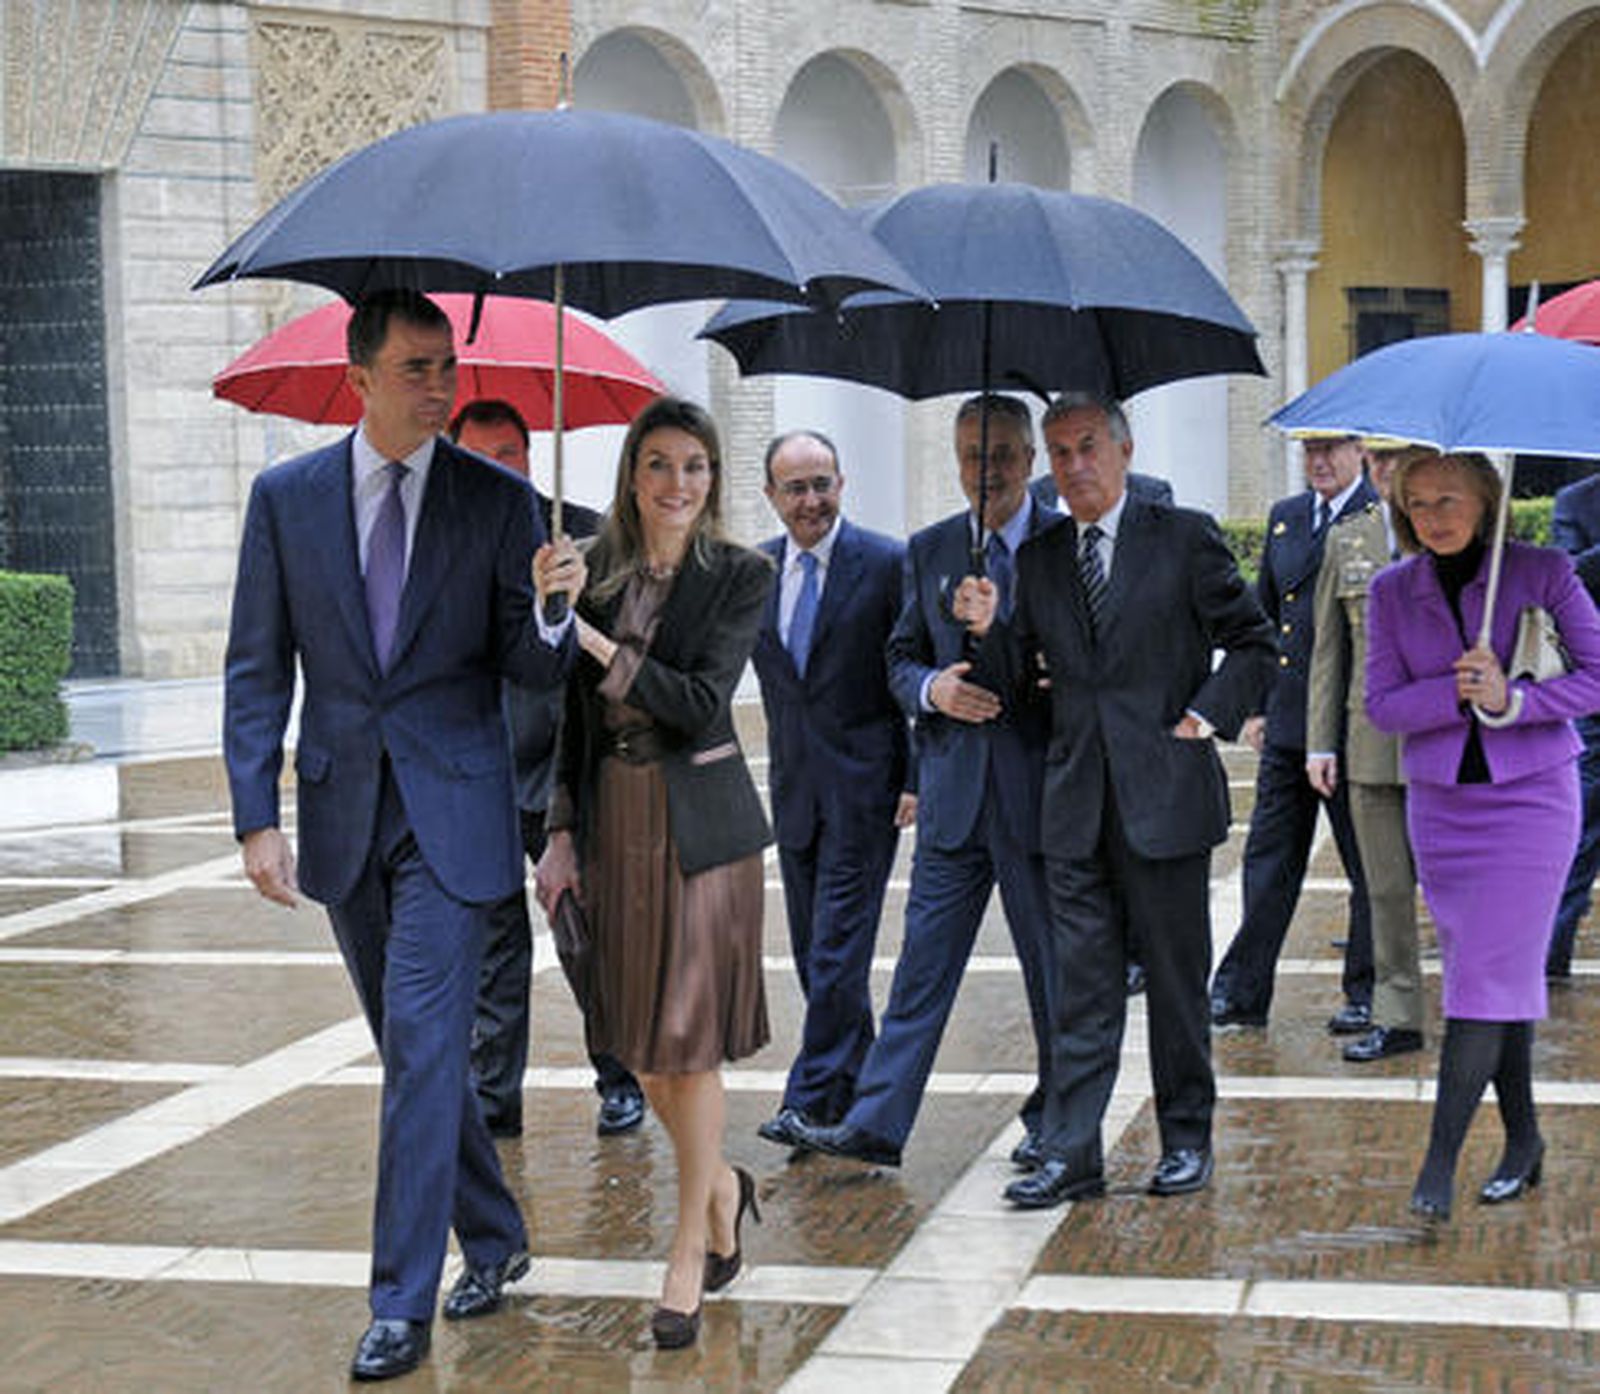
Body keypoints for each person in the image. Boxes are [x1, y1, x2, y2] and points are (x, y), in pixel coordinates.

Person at [223, 290, 582, 1381]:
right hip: (342, 813)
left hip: (455, 819)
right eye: (419, 367)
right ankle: (498, 1230)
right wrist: (255, 816)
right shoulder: (284, 500)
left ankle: (398, 1298)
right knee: (410, 1051)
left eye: (449, 366)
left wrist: (554, 607)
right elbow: (255, 668)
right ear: (360, 376)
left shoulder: (498, 500)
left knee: (426, 1049)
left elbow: (533, 670)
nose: (443, 387)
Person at [993, 391, 1274, 1209]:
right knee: (1081, 989)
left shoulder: (1183, 538)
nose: (1073, 466)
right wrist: (985, 628)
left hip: (1167, 800)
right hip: (1075, 807)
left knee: (1180, 991)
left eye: (1086, 447)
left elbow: (1256, 642)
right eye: (1059, 452)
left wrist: (1206, 714)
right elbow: (1016, 682)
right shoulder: (1038, 558)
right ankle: (1074, 1155)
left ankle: (1187, 1138)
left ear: (1123, 449)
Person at [534, 396, 773, 1349]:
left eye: (697, 467)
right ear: (633, 477)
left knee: (687, 1041)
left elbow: (697, 704)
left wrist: (588, 643)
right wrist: (558, 832)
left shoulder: (739, 577)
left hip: (703, 829)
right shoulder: (593, 579)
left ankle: (686, 1252)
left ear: (713, 480)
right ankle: (721, 1185)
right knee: (629, 1035)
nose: (680, 484)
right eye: (661, 465)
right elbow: (569, 723)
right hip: (609, 821)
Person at [790, 393, 1059, 1171]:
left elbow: (1072, 667)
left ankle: (1055, 1113)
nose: (988, 471)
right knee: (919, 972)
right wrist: (932, 688)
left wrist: (1001, 630)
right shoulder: (933, 547)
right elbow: (899, 657)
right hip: (953, 797)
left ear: (1029, 460)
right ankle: (875, 1123)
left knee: (1051, 970)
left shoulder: (1059, 547)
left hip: (1036, 794)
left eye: (1004, 454)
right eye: (973, 454)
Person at [1366, 451, 1600, 1222]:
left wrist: (1512, 696)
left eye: (1450, 499)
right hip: (1443, 809)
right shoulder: (1391, 589)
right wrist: (1453, 692)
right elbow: (1383, 706)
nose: (1434, 515)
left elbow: (1596, 676)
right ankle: (1525, 1140)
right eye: (1420, 501)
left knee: (1478, 987)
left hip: (1531, 804)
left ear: (1486, 499)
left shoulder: (1543, 571)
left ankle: (1437, 1164)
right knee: (1494, 982)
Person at [448, 399, 644, 1139]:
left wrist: (561, 597)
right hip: (479, 772)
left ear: (531, 456)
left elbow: (609, 664)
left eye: (513, 454)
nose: (501, 468)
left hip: (565, 768)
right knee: (496, 944)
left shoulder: (587, 535)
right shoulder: (441, 535)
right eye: (483, 455)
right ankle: (495, 1101)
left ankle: (620, 1079)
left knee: (585, 936)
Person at [750, 429, 912, 1148]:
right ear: (772, 496)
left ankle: (809, 1098)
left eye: (822, 484)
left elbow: (911, 669)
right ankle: (864, 1089)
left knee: (839, 951)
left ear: (842, 484)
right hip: (795, 795)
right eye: (796, 488)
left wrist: (916, 778)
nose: (811, 500)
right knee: (819, 954)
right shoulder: (752, 572)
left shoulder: (885, 563)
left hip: (867, 790)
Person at [1211, 432, 1377, 1034]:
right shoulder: (1286, 518)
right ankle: (1240, 992)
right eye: (1310, 450)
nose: (1319, 461)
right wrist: (1253, 707)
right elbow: (1261, 622)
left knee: (1368, 868)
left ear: (1360, 451)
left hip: (1352, 729)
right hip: (1286, 723)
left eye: (1332, 449)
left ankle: (1369, 992)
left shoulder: (1380, 520)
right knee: (1267, 863)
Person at [1306, 441, 1425, 1062]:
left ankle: (1481, 1008)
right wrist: (1320, 742)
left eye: (1398, 458)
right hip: (1372, 740)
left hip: (1446, 740)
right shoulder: (1348, 539)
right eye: (1377, 459)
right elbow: (1329, 651)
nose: (1386, 471)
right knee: (1383, 887)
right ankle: (1399, 1013)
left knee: (1462, 886)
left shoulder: (1455, 530)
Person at [1545, 470, 1600, 978]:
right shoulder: (1574, 502)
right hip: (1594, 696)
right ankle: (1549, 951)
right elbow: (1565, 577)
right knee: (1579, 827)